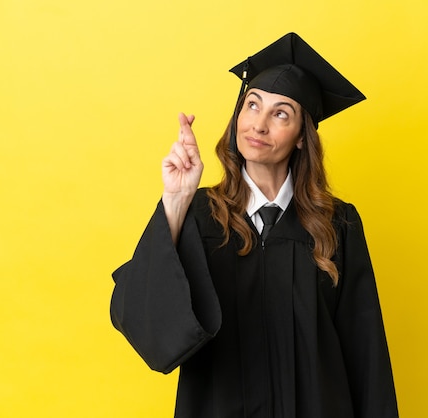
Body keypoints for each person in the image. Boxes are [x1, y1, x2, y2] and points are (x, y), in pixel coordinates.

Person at [110, 32, 399, 418]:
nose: (258, 125)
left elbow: (367, 355)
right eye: (252, 105)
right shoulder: (198, 215)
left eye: (281, 113)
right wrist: (175, 200)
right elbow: (146, 324)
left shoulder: (337, 225)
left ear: (301, 137)